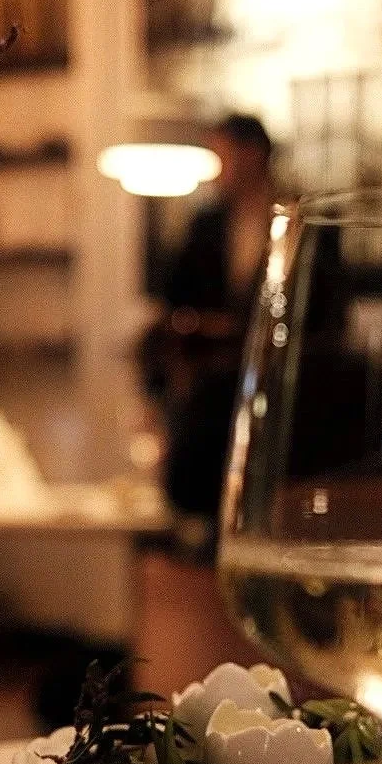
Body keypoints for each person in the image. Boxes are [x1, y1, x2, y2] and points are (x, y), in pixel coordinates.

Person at [152, 114, 276, 537]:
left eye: (222, 153)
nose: (217, 166)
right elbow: (174, 302)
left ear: (253, 154)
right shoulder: (205, 226)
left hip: (275, 395)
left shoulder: (296, 223)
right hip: (212, 398)